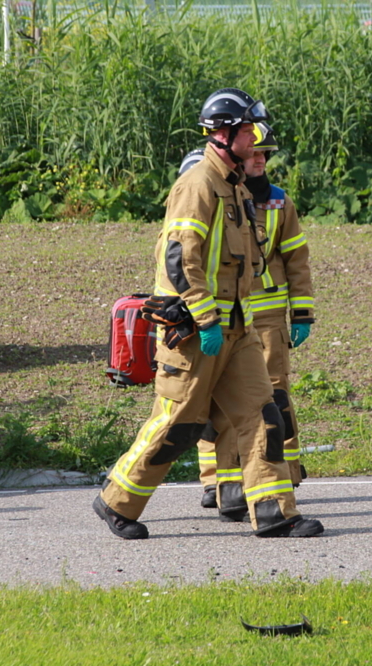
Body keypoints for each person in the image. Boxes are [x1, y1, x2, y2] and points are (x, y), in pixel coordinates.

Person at [93, 88, 324, 540]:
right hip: (196, 331)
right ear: (225, 133)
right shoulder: (198, 184)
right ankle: (116, 501)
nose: (257, 138)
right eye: (249, 129)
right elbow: (180, 260)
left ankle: (275, 512)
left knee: (264, 415)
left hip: (238, 330)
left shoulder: (236, 185)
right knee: (179, 424)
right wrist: (205, 320)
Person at [195, 122, 316, 516]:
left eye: (266, 155)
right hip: (228, 316)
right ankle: (222, 482)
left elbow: (297, 261)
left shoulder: (280, 203)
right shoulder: (222, 197)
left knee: (274, 399)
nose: (260, 160)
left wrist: (301, 313)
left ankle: (286, 472)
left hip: (269, 320)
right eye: (255, 154)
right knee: (225, 402)